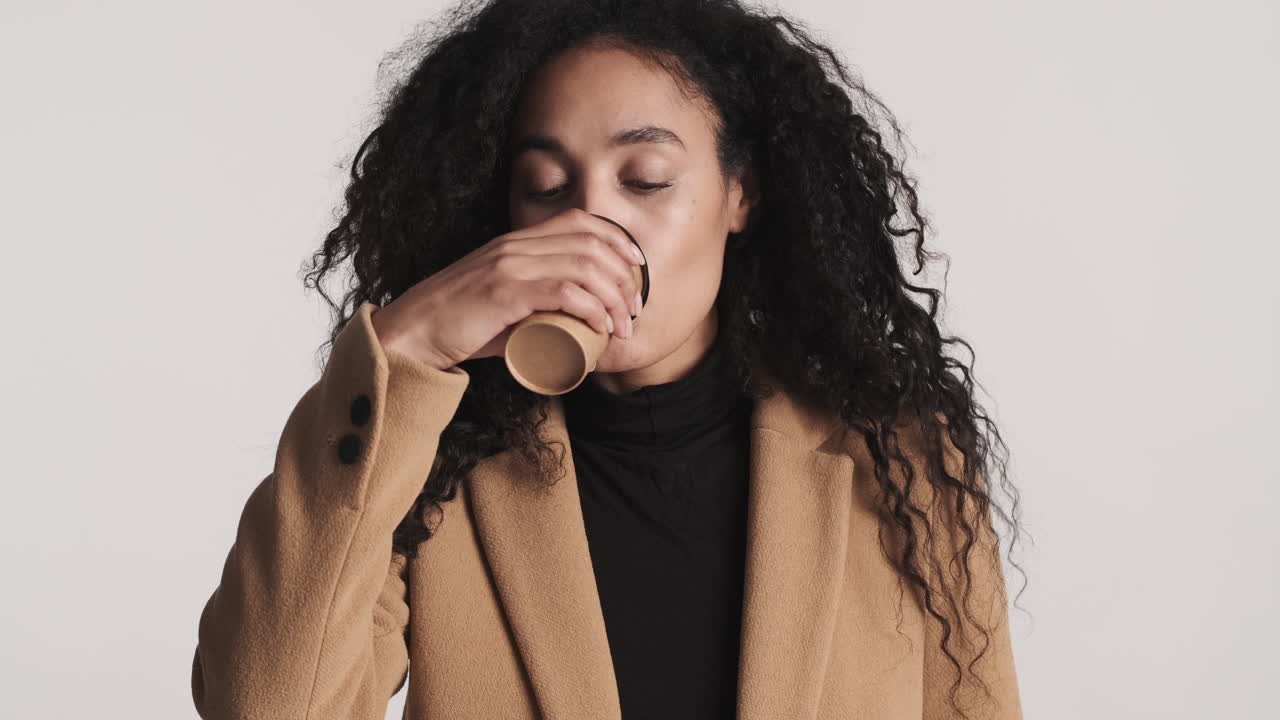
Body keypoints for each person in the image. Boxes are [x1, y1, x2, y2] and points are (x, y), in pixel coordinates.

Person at [191, 0, 1027, 718]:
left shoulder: (899, 457)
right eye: (547, 187)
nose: (589, 228)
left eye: (648, 178)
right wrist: (405, 348)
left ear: (742, 194)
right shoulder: (432, 471)